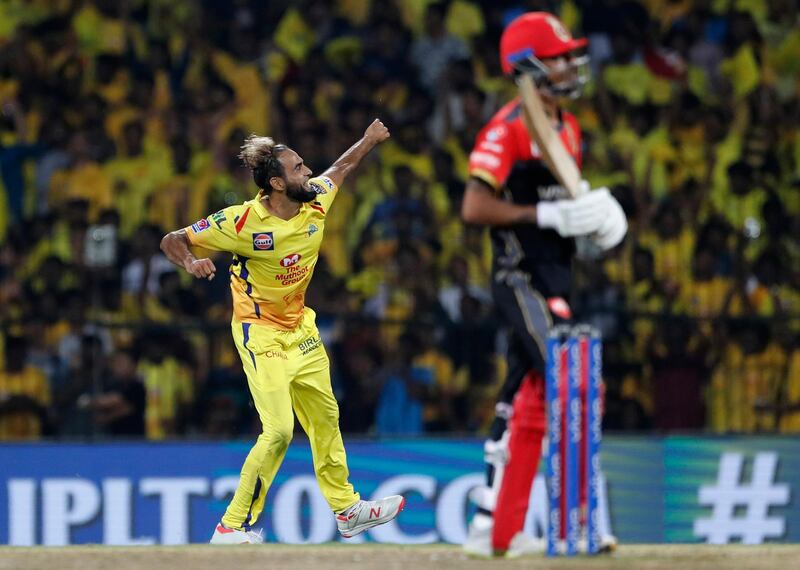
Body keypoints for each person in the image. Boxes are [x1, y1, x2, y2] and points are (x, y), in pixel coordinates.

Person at [160, 119, 404, 544]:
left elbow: (340, 169)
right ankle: (230, 527)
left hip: (301, 329)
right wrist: (190, 262)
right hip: (260, 333)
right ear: (276, 183)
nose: (309, 172)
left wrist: (366, 141)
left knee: (326, 418)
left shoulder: (315, 202)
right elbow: (172, 239)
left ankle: (347, 510)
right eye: (299, 168)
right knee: (277, 432)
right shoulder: (240, 223)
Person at [459, 12, 627, 557]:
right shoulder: (508, 126)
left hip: (557, 275)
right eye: (557, 56)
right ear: (529, 67)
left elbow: (567, 206)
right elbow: (474, 205)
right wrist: (546, 218)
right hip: (520, 276)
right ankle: (581, 517)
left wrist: (592, 225)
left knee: (524, 396)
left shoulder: (568, 127)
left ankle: (493, 527)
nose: (570, 64)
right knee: (569, 373)